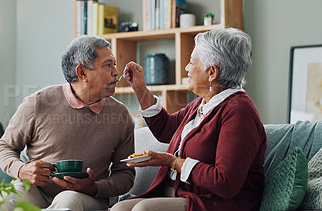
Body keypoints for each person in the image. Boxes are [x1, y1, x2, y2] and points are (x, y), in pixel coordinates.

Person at [111, 28, 267, 211]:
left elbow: (225, 182)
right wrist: (140, 89)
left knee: (143, 210)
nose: (186, 68)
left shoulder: (239, 111)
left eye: (192, 62)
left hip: (215, 203)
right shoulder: (203, 103)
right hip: (180, 193)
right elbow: (166, 129)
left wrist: (172, 161)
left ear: (212, 73)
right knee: (118, 209)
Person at [0, 35, 135, 211]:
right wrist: (21, 170)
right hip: (36, 191)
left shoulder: (121, 115)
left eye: (114, 64)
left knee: (67, 201)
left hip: (88, 197)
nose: (116, 72)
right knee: (5, 199)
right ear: (82, 72)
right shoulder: (38, 103)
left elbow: (125, 174)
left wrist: (95, 187)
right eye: (108, 65)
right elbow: (4, 147)